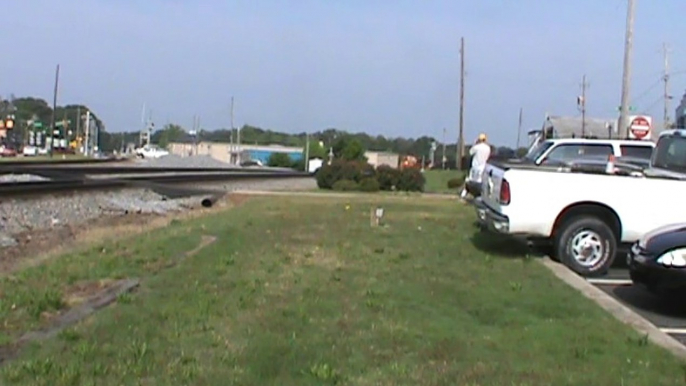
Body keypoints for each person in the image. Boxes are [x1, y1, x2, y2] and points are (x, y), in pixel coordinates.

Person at [460, 133, 491, 199]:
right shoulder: (488, 148)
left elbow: (470, 152)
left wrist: (475, 144)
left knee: (470, 180)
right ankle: (479, 195)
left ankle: (464, 193)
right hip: (483, 167)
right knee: (480, 181)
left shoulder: (477, 147)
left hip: (475, 166)